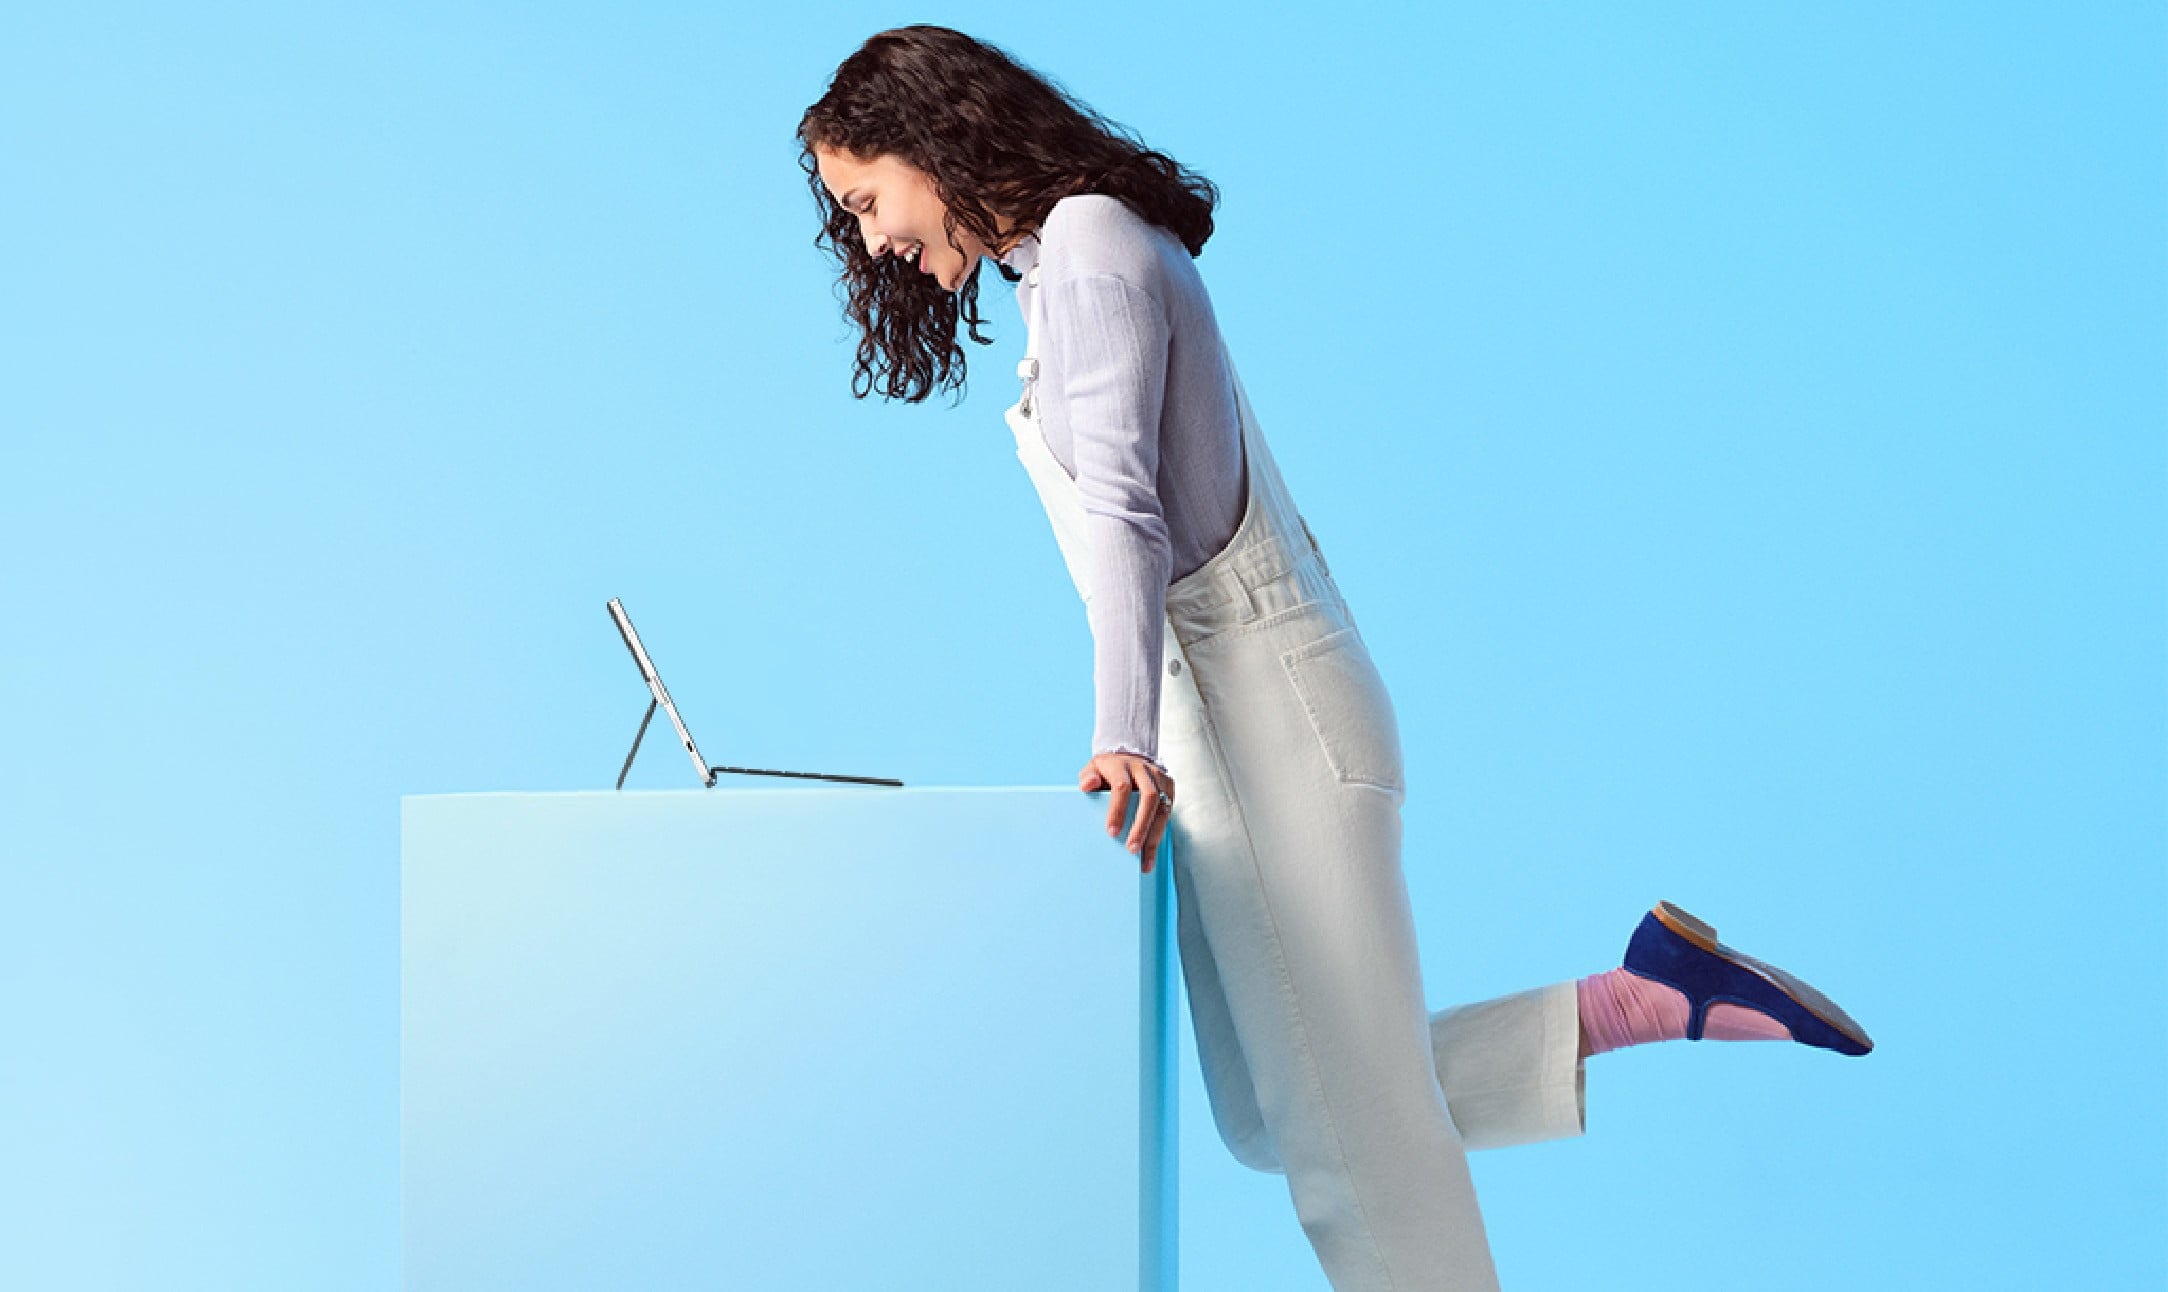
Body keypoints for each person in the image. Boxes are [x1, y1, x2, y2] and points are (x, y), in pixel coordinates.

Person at [798, 26, 1874, 1291]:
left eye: (868, 200)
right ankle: (1645, 997)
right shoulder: (1061, 265)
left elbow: (1126, 524)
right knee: (1273, 1113)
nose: (871, 241)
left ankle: (1645, 1005)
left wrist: (1120, 731)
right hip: (1236, 724)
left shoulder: (1086, 251)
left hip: (1264, 720)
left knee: (1350, 1146)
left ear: (932, 138)